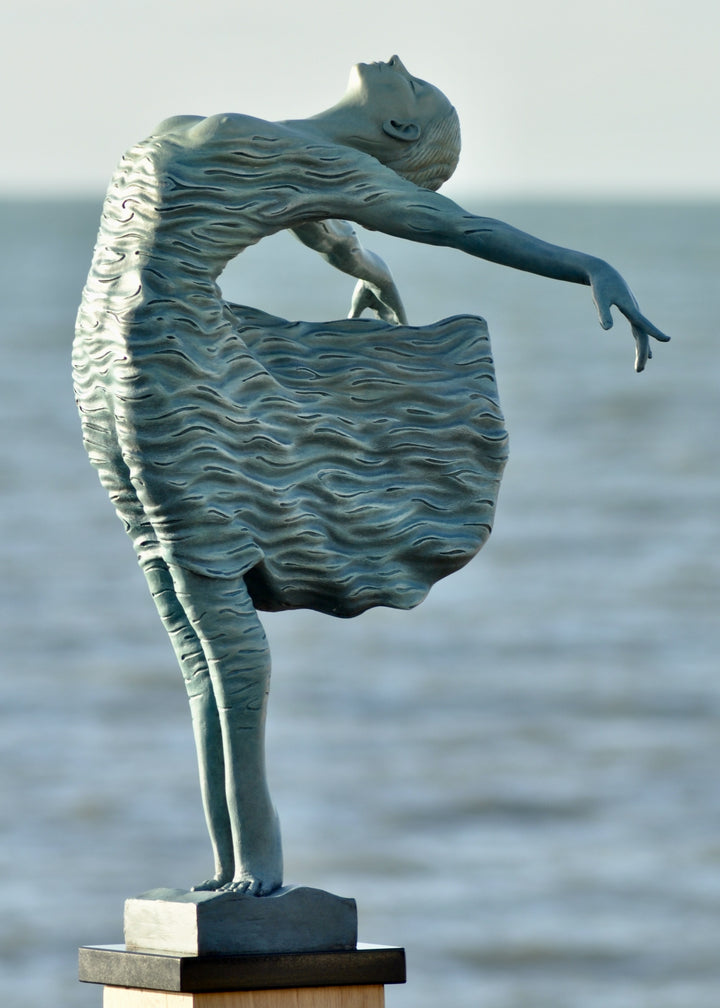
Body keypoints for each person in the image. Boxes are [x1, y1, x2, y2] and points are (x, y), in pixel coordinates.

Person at [73, 56, 669, 897]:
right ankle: (234, 871)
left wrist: (587, 266)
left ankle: (255, 875)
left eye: (423, 96)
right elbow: (325, 226)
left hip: (152, 364)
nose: (401, 68)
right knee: (190, 628)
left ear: (399, 130)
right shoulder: (286, 158)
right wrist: (367, 271)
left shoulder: (313, 165)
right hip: (114, 365)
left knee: (219, 633)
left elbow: (459, 228)